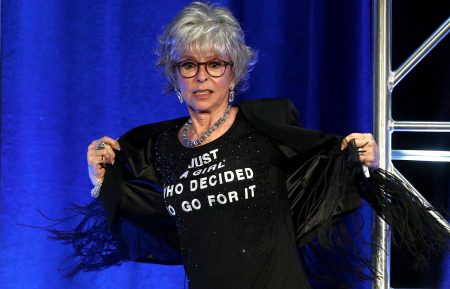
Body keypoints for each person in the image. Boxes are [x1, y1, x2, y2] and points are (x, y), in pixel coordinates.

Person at [77, 2, 446, 289]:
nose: (202, 76)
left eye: (215, 64)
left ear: (234, 71)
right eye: (188, 64)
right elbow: (147, 218)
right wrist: (102, 179)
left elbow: (322, 177)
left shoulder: (266, 127)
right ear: (173, 75)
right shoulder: (162, 149)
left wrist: (366, 160)